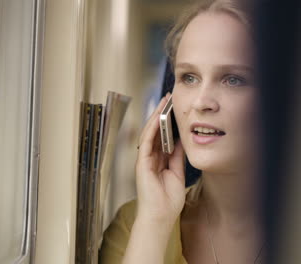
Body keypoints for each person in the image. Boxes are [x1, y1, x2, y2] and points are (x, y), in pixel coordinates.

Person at [99, 0, 265, 263]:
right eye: (189, 77)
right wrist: (155, 222)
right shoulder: (136, 225)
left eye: (233, 79)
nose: (201, 102)